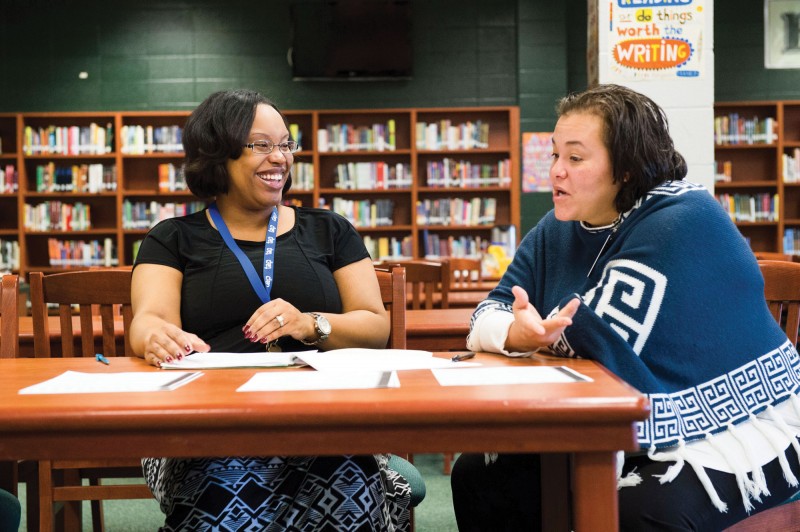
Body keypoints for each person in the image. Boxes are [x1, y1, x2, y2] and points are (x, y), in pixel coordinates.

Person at [452, 84, 800, 531]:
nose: (556, 172)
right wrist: (517, 334)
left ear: (627, 169)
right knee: (479, 476)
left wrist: (529, 336)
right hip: (625, 421)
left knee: (638, 512)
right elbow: (492, 311)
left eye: (575, 158)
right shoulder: (558, 225)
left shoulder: (684, 217)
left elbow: (594, 333)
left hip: (736, 427)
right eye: (555, 155)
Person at [130, 89, 411, 531]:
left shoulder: (331, 231)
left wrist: (310, 323)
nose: (279, 157)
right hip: (207, 424)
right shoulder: (172, 239)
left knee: (347, 484)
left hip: (324, 418)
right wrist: (154, 337)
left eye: (285, 144)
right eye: (261, 145)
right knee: (224, 488)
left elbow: (376, 326)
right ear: (218, 153)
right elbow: (149, 320)